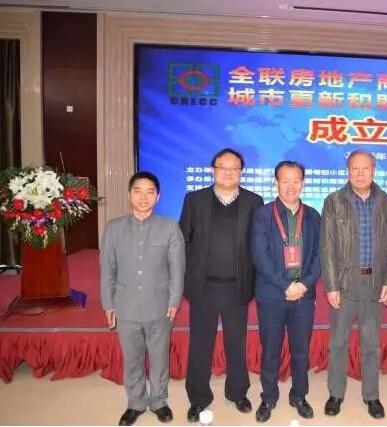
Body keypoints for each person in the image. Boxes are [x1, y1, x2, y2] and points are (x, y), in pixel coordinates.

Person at [179, 148, 263, 423]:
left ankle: (237, 393)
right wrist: (186, 277)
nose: (228, 172)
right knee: (200, 344)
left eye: (234, 168)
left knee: (236, 342)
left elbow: (258, 244)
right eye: (222, 167)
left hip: (237, 286)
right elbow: (183, 241)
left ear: (241, 172)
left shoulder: (254, 201)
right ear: (213, 170)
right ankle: (198, 398)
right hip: (203, 286)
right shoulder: (194, 200)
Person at [100, 171, 185, 426]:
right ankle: (135, 403)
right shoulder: (113, 228)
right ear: (129, 195)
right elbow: (107, 270)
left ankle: (159, 401)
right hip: (125, 306)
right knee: (133, 359)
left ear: (158, 197)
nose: (143, 197)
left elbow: (177, 270)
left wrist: (174, 301)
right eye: (138, 191)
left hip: (160, 307)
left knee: (159, 358)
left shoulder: (170, 228)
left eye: (150, 192)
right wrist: (108, 303)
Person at [320, 149, 387, 419]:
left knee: (371, 343)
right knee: (338, 342)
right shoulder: (334, 201)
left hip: (374, 285)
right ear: (348, 171)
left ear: (374, 170)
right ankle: (336, 394)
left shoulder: (386, 202)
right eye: (355, 168)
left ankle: (372, 396)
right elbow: (327, 247)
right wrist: (331, 285)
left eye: (365, 168)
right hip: (344, 284)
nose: (360, 173)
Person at [250, 161, 321, 423]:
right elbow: (260, 255)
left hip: (303, 295)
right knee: (270, 350)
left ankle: (299, 396)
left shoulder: (313, 215)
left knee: (300, 350)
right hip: (272, 295)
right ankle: (268, 397)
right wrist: (285, 286)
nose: (291, 185)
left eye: (296, 180)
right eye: (285, 180)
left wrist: (304, 285)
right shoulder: (263, 214)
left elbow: (320, 255)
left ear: (303, 183)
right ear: (276, 183)